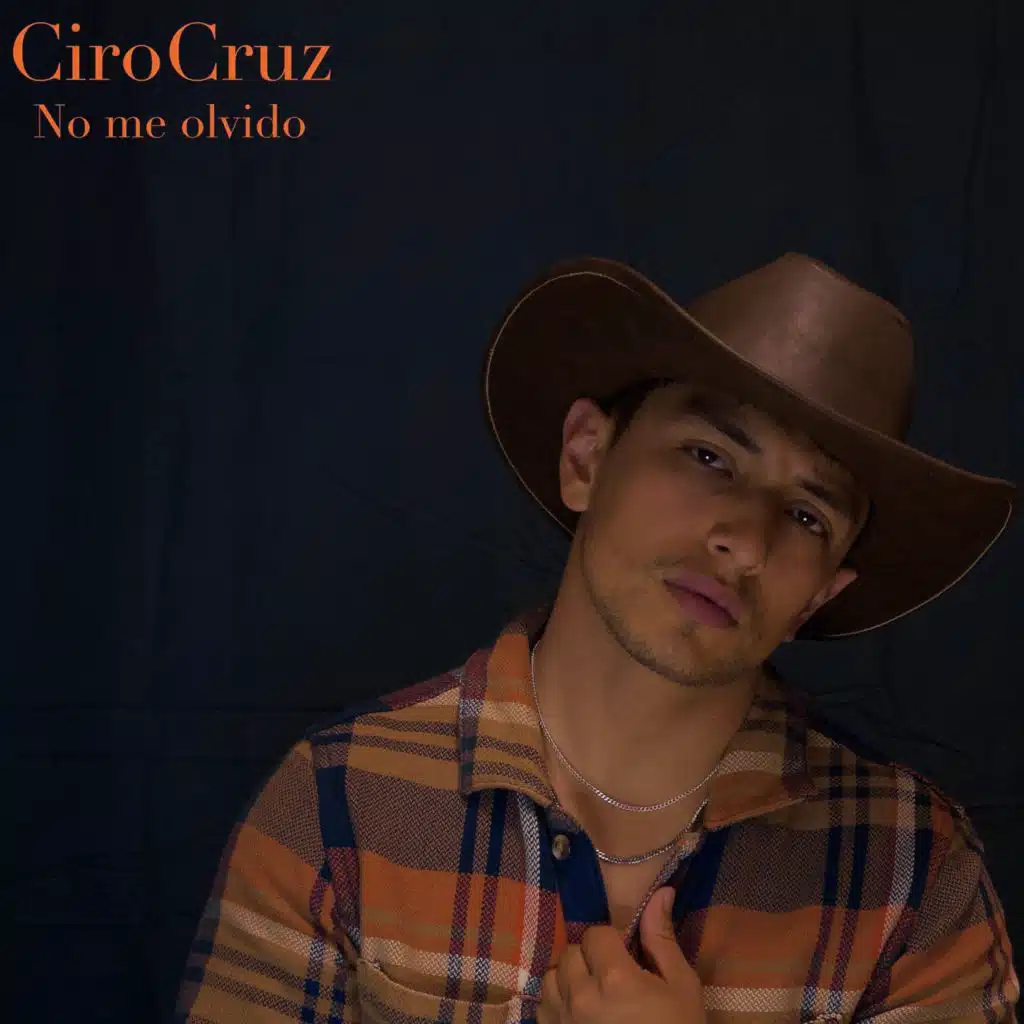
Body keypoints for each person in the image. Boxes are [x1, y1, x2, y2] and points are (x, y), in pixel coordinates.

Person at [176, 253, 1019, 1023]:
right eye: (708, 457)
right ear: (585, 458)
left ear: (819, 595)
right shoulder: (339, 808)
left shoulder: (914, 873)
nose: (744, 542)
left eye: (806, 516)